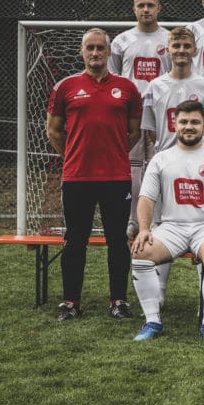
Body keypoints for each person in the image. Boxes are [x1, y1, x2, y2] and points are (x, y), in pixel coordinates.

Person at [47, 28, 141, 321]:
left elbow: (134, 132)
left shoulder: (127, 88)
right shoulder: (66, 87)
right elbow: (53, 130)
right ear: (82, 51)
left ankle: (119, 301)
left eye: (101, 48)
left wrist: (113, 152)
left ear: (109, 52)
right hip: (77, 178)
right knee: (75, 240)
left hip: (116, 177)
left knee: (118, 240)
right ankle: (70, 303)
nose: (95, 53)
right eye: (90, 48)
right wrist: (74, 156)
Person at [130, 100, 204, 342]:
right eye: (184, 121)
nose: (189, 126)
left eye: (195, 122)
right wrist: (144, 229)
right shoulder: (161, 159)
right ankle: (152, 321)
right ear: (174, 124)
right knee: (141, 251)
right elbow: (146, 198)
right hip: (172, 226)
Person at [109, 0, 171, 241]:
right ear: (134, 8)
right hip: (130, 113)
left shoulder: (169, 38)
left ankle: (157, 220)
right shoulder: (121, 40)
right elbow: (114, 77)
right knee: (132, 167)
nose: (146, 9)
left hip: (161, 112)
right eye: (141, 5)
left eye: (150, 5)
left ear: (159, 8)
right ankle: (132, 220)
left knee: (160, 166)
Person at [141, 26, 204, 154]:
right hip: (166, 157)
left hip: (198, 157)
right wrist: (169, 154)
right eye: (176, 46)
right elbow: (151, 130)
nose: (181, 50)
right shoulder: (155, 86)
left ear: (195, 50)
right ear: (168, 50)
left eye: (187, 46)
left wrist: (199, 153)